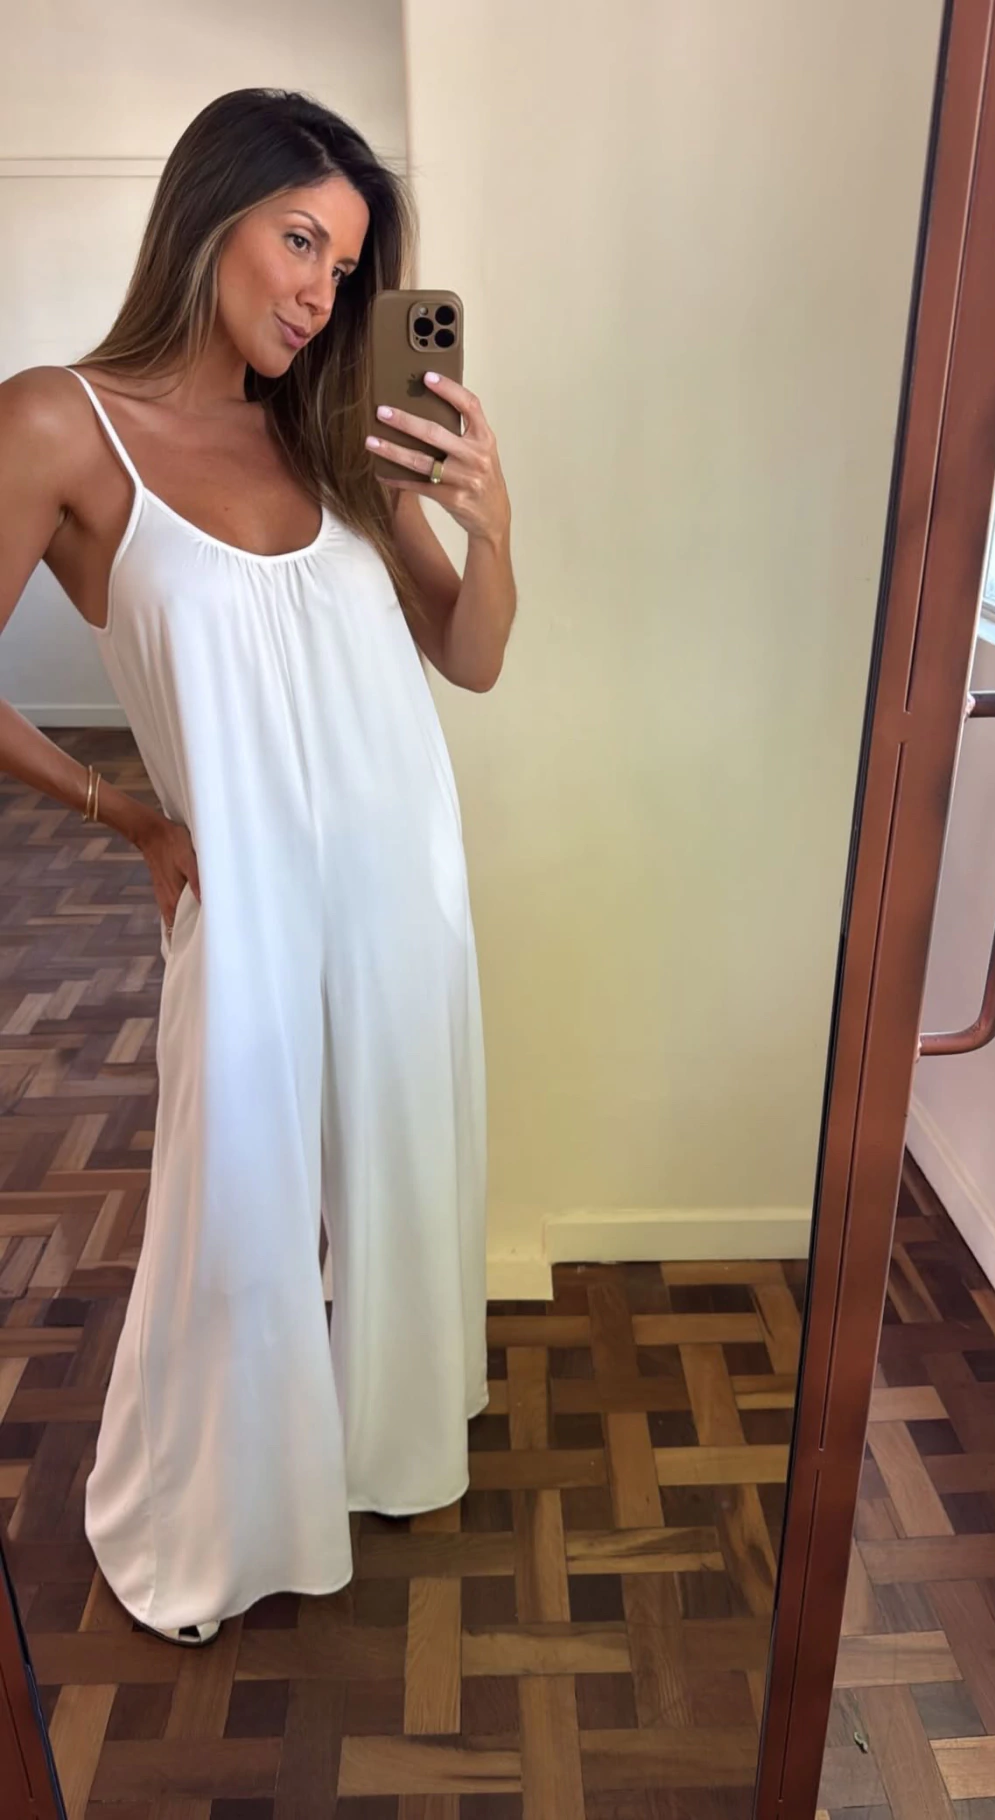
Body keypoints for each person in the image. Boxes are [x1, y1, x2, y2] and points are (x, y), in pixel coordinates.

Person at [0, 87, 515, 1648]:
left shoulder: (329, 429)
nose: (320, 293)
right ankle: (219, 1515)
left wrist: (490, 526)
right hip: (249, 902)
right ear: (210, 213)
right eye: (300, 242)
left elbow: (469, 657)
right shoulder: (58, 423)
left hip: (405, 884)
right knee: (237, 1213)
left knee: (402, 1176)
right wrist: (130, 816)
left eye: (346, 270)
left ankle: (389, 1444)